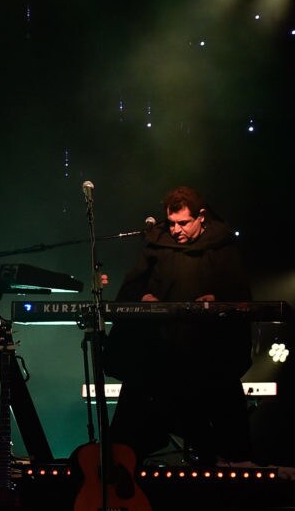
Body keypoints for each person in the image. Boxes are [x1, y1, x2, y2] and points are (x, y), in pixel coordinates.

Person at [104, 185, 252, 465]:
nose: (176, 230)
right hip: (158, 355)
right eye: (171, 223)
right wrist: (142, 297)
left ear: (201, 217)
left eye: (183, 223)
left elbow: (240, 295)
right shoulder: (157, 245)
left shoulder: (222, 248)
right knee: (128, 429)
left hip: (206, 356)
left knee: (226, 428)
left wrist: (218, 300)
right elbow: (129, 291)